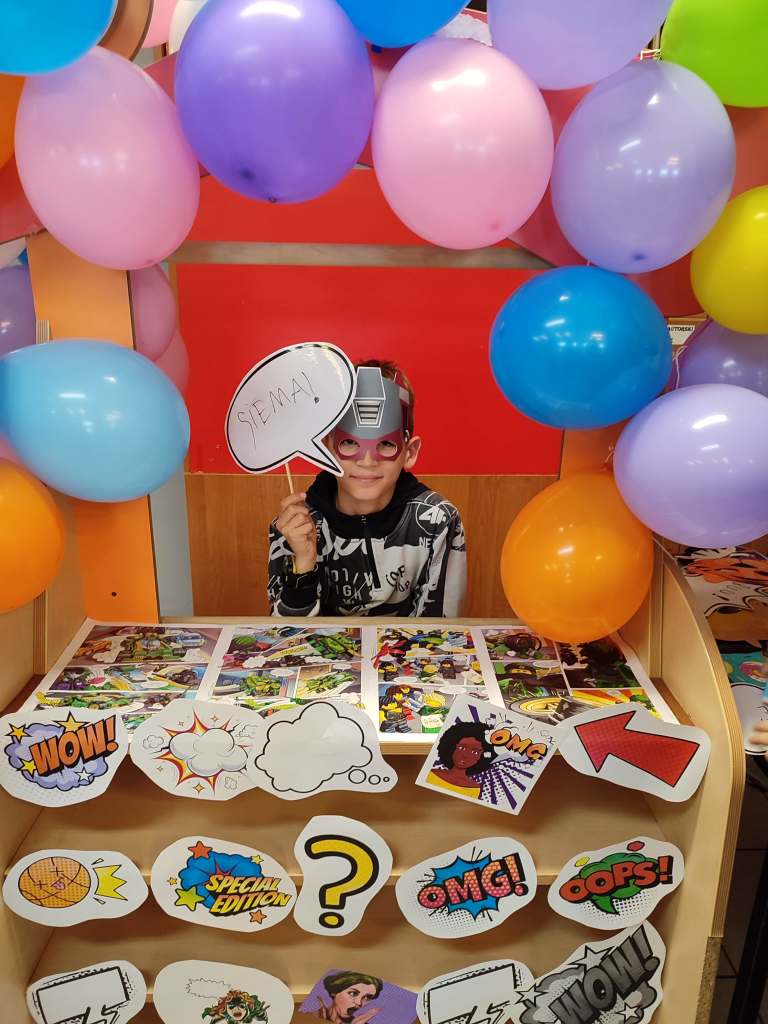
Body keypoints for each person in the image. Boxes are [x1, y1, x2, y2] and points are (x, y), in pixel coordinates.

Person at [268, 360, 466, 617]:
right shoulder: (296, 525)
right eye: (349, 443)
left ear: (409, 452)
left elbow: (444, 626)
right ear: (327, 448)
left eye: (386, 444)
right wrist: (303, 563)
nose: (367, 461)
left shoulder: (437, 521)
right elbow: (285, 634)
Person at [426, 721, 496, 798]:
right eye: (462, 748)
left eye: (475, 752)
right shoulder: (430, 774)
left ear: (482, 757)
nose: (465, 755)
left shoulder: (474, 789)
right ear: (452, 747)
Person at [310, 971, 383, 1024]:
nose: (359, 1003)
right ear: (334, 991)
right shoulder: (310, 1017)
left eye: (367, 998)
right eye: (353, 993)